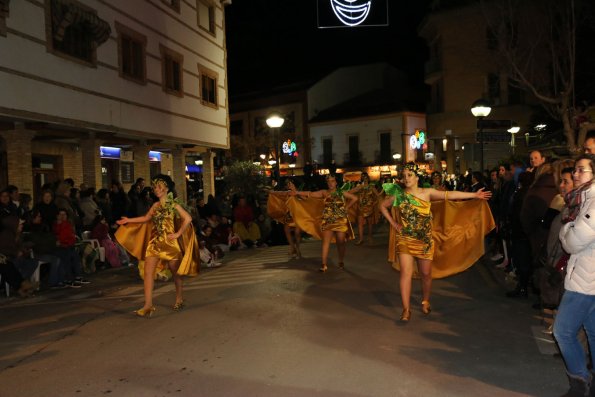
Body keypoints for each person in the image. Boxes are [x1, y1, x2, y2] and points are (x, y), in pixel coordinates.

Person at [379, 162, 492, 322]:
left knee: (426, 274)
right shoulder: (399, 195)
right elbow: (382, 206)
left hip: (425, 239)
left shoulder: (427, 193)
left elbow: (450, 195)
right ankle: (406, 309)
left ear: (417, 177)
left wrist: (474, 195)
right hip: (405, 239)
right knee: (406, 273)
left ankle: (425, 300)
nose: (406, 178)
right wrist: (394, 223)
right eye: (403, 176)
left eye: (409, 175)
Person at [115, 174, 199, 318]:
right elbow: (146, 218)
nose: (156, 190)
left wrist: (178, 234)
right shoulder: (155, 205)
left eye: (159, 187)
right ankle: (148, 305)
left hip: (170, 245)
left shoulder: (174, 205)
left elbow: (188, 218)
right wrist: (129, 220)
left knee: (176, 274)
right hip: (154, 243)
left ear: (166, 189)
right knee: (148, 273)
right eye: (155, 187)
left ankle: (179, 297)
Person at [554, 154, 595, 396]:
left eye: (581, 170)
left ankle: (580, 381)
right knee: (592, 331)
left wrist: (566, 228)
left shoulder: (592, 202)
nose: (575, 174)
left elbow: (573, 242)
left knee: (563, 331)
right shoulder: (584, 199)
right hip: (587, 275)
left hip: (586, 279)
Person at [291, 174, 358, 272]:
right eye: (329, 181)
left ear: (336, 182)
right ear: (327, 183)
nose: (330, 183)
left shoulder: (341, 192)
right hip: (328, 220)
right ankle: (324, 265)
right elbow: (310, 193)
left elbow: (355, 198)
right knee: (325, 242)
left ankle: (341, 260)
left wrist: (347, 207)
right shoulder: (324, 192)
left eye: (332, 181)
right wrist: (297, 192)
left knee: (341, 242)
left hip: (340, 220)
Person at [268, 178, 303, 258]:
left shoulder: (299, 193)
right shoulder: (287, 193)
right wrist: (271, 192)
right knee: (286, 229)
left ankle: (297, 248)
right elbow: (278, 193)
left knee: (297, 233)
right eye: (287, 184)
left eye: (290, 184)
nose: (289, 185)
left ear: (293, 184)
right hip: (289, 216)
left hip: (298, 216)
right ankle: (292, 247)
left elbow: (305, 199)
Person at [350, 172, 381, 245]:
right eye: (363, 178)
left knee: (370, 224)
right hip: (361, 208)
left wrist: (374, 203)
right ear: (362, 179)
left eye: (366, 178)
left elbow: (378, 196)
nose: (365, 179)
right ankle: (361, 239)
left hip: (370, 208)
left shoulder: (372, 187)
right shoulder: (359, 187)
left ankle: (370, 236)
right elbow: (349, 192)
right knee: (360, 224)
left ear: (368, 179)